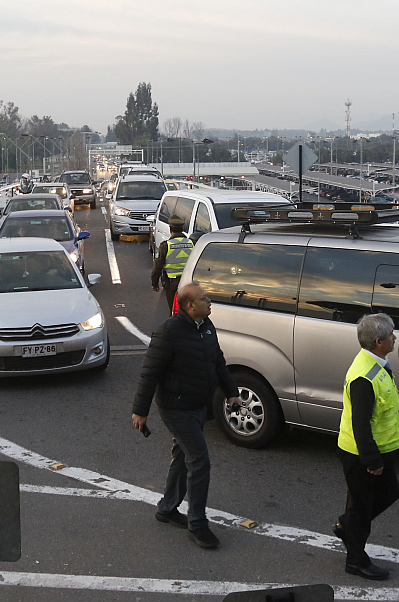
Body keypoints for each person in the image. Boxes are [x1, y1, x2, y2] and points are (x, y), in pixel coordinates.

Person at [132, 283, 242, 549]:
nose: (210, 301)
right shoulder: (169, 332)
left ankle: (167, 508)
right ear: (190, 305)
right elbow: (150, 373)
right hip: (176, 408)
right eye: (204, 299)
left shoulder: (206, 327)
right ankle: (197, 523)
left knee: (182, 457)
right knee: (199, 461)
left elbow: (218, 361)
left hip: (198, 406)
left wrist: (232, 393)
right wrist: (140, 411)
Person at [333, 313, 399, 581]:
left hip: (378, 449)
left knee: (389, 493)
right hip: (361, 454)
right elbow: (360, 423)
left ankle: (347, 525)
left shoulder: (375, 361)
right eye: (391, 335)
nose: (395, 338)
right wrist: (372, 460)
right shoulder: (364, 377)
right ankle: (356, 560)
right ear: (379, 341)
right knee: (361, 509)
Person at [151, 216, 194, 312]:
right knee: (190, 310)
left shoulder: (166, 245)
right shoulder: (192, 243)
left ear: (170, 230)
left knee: (174, 310)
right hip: (189, 283)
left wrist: (155, 283)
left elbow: (158, 266)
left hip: (172, 284)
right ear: (182, 229)